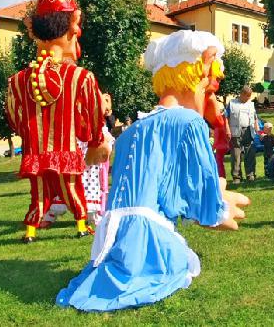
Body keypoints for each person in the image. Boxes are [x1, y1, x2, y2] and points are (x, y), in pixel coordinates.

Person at [56, 30, 250, 311]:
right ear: (193, 77)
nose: (210, 98)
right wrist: (219, 205)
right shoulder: (188, 122)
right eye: (208, 88)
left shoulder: (129, 132)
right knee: (181, 264)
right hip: (148, 239)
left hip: (111, 239)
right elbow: (200, 202)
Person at [5, 0, 111, 243]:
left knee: (38, 192)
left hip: (36, 150)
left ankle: (31, 230)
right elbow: (93, 115)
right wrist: (94, 139)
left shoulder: (18, 80)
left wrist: (29, 134)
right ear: (72, 28)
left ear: (35, 31)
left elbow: (14, 117)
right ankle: (81, 225)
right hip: (66, 149)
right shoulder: (81, 77)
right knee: (72, 187)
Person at [227, 85, 260, 183]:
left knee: (250, 154)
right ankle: (237, 177)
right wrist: (227, 130)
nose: (248, 98)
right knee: (236, 155)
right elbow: (226, 117)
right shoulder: (231, 103)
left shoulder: (251, 104)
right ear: (241, 94)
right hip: (235, 132)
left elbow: (255, 117)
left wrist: (257, 129)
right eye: (247, 96)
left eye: (250, 96)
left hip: (249, 131)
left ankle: (250, 175)